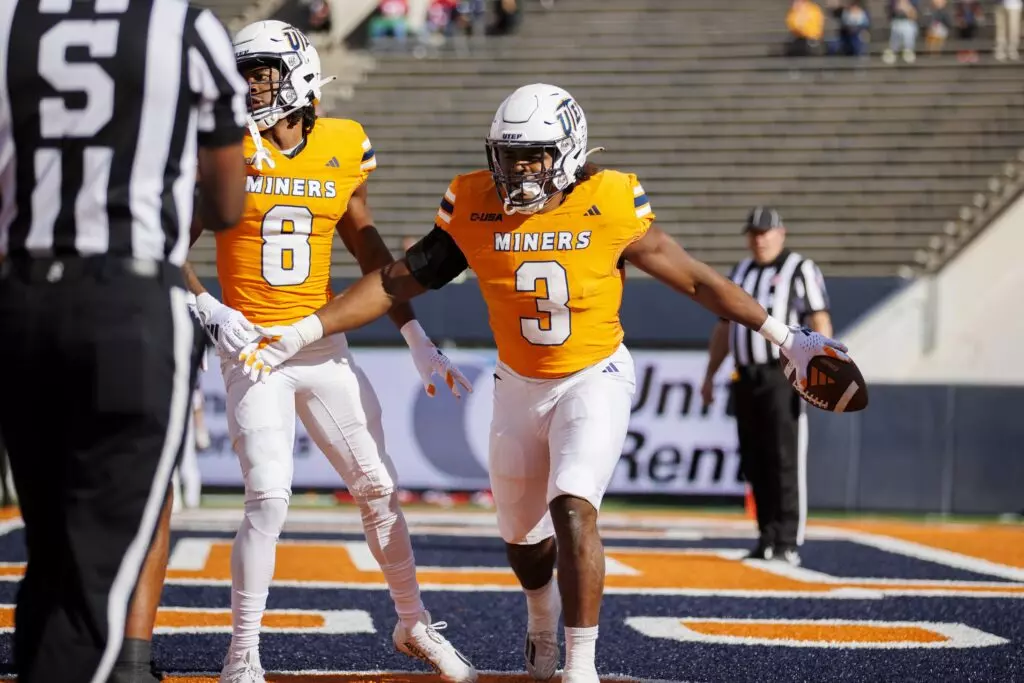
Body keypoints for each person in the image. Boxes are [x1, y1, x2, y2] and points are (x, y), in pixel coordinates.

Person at [239, 83, 848, 683]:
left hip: (594, 374)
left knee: (574, 505)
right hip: (516, 384)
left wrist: (781, 333)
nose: (519, 170)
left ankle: (580, 665)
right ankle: (541, 618)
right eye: (508, 156)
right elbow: (398, 280)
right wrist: (304, 330)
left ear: (570, 151)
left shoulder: (609, 200)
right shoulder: (475, 203)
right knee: (523, 542)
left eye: (534, 155)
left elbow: (693, 280)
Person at [181, 20, 477, 683]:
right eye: (244, 73)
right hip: (254, 348)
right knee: (268, 496)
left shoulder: (345, 142)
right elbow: (169, 239)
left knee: (377, 485)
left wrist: (414, 335)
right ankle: (243, 650)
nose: (248, 85)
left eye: (260, 72)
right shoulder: (225, 146)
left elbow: (369, 249)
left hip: (321, 343)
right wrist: (209, 308)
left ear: (298, 73)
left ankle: (413, 622)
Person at [0, 0, 248, 681]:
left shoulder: (8, 21)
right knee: (96, 572)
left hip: (22, 296)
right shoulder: (187, 27)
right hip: (131, 305)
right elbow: (227, 207)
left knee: (49, 554)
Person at [701, 208, 834, 567]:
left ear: (781, 234)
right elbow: (724, 327)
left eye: (765, 233)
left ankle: (788, 540)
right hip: (745, 376)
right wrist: (710, 374)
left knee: (784, 458)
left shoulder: (800, 269)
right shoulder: (741, 272)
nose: (759, 239)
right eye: (753, 233)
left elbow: (819, 318)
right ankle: (766, 536)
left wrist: (820, 368)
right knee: (755, 460)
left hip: (783, 376)